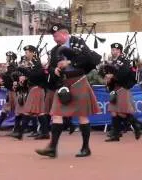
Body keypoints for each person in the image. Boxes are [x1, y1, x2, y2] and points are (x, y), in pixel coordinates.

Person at [35, 23, 101, 158]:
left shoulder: (78, 42)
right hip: (64, 85)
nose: (55, 39)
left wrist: (69, 63)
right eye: (53, 37)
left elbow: (89, 58)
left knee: (82, 115)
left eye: (56, 36)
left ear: (64, 34)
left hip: (78, 81)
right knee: (57, 114)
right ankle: (52, 148)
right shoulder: (54, 50)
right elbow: (51, 67)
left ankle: (85, 147)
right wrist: (55, 70)